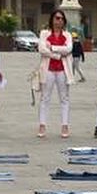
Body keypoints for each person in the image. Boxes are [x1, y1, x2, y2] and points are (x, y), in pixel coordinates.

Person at [38, 9, 73, 138]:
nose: (59, 21)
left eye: (61, 19)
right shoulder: (44, 34)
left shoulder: (67, 35)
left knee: (64, 98)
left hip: (62, 70)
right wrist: (58, 55)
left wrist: (52, 48)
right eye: (57, 18)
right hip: (48, 69)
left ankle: (65, 125)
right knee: (45, 98)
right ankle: (42, 125)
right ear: (52, 20)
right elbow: (42, 49)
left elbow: (69, 49)